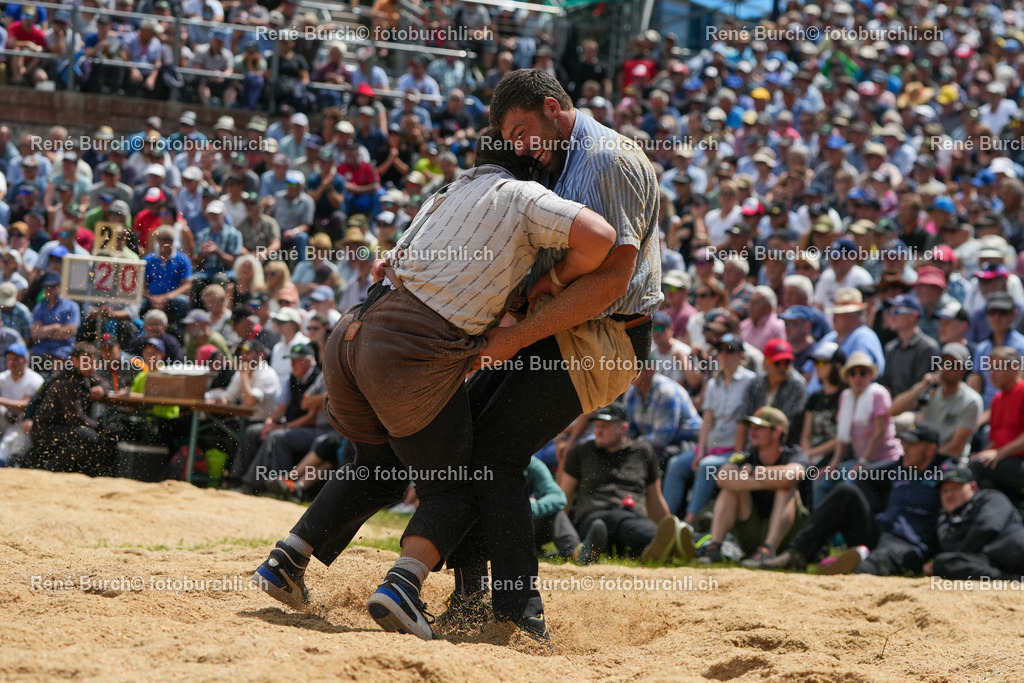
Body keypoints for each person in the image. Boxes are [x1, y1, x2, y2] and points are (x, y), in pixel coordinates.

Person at [252, 116, 633, 641]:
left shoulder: (446, 192)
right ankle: (403, 587)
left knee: (381, 465)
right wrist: (554, 279)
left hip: (349, 337)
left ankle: (286, 559)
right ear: (527, 164)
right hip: (405, 351)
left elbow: (390, 266)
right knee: (457, 483)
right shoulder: (522, 194)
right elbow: (602, 236)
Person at [762, 422, 950, 576]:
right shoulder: (900, 466)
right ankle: (799, 555)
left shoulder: (948, 474)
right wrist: (878, 506)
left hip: (908, 545)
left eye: (913, 444)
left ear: (931, 449)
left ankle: (853, 567)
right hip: (879, 533)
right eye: (904, 442)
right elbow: (863, 476)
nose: (905, 448)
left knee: (872, 566)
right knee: (846, 492)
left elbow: (961, 507)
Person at [559, 406, 690, 565]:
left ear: (623, 428)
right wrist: (561, 536)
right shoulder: (582, 450)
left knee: (639, 528)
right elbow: (564, 495)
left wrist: (668, 526)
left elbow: (655, 499)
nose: (598, 431)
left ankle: (656, 548)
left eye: (605, 426)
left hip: (631, 516)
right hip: (592, 519)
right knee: (614, 524)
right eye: (597, 426)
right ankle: (661, 546)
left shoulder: (643, 452)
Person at [663, 333, 757, 526]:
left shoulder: (751, 381)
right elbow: (707, 419)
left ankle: (689, 522)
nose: (724, 354)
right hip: (712, 445)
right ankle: (665, 521)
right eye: (720, 350)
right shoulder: (714, 383)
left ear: (741, 355)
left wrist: (739, 455)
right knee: (676, 464)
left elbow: (746, 422)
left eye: (729, 350)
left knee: (707, 466)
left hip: (737, 449)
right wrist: (701, 450)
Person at [698, 407, 809, 566]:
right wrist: (770, 480)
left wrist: (753, 472)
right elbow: (722, 478)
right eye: (752, 428)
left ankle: (768, 550)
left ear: (777, 432)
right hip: (751, 533)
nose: (752, 432)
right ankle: (714, 548)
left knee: (786, 489)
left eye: (759, 428)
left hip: (786, 537)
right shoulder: (745, 455)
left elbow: (789, 477)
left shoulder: (795, 455)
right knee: (731, 490)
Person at [814, 351, 903, 505]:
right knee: (821, 481)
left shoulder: (879, 394)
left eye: (863, 372)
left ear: (871, 375)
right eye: (853, 373)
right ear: (847, 377)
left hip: (885, 460)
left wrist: (861, 464)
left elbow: (879, 433)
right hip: (860, 460)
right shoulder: (845, 397)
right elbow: (842, 436)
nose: (858, 377)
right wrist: (833, 464)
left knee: (850, 484)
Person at [22, 343, 109, 476]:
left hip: (59, 429)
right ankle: (50, 471)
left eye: (93, 363)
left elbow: (102, 381)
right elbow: (75, 418)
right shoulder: (68, 380)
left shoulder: (80, 374)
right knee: (87, 436)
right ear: (74, 360)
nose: (91, 367)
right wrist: (100, 427)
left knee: (90, 435)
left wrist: (102, 388)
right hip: (46, 431)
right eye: (86, 362)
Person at [926, 463, 1024, 580]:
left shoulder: (991, 497)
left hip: (1015, 553)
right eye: (944, 490)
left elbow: (987, 528)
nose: (949, 494)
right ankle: (1010, 579)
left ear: (973, 487)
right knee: (942, 563)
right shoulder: (944, 521)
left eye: (955, 488)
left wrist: (960, 552)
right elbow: (950, 550)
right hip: (989, 563)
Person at [890, 342, 982, 464]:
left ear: (964, 370)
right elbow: (894, 410)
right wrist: (922, 385)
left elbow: (955, 447)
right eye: (944, 363)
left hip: (948, 463)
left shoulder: (971, 400)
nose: (947, 368)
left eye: (953, 365)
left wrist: (924, 461)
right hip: (919, 457)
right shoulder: (929, 389)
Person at [969, 346, 1024, 498]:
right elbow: (996, 439)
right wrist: (983, 454)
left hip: (1018, 460)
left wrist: (1000, 453)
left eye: (997, 368)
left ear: (1014, 368)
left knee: (976, 467)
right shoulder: (998, 399)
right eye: (990, 369)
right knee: (978, 469)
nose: (991, 374)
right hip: (1005, 460)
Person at [622, 367, 702, 469]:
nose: (628, 372)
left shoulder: (666, 391)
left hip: (687, 443)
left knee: (648, 460)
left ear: (650, 369)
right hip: (650, 443)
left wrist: (633, 445)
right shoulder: (631, 391)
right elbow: (629, 429)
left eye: (636, 368)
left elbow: (661, 438)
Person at [798, 342, 846, 508]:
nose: (816, 367)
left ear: (837, 366)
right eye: (815, 363)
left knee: (815, 478)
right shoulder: (814, 397)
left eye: (822, 362)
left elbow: (842, 436)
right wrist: (806, 453)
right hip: (812, 453)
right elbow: (805, 434)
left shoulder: (845, 396)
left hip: (834, 454)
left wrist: (811, 453)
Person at [0, 343, 44, 466]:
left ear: (25, 360)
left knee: (10, 452)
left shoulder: (35, 379)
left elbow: (26, 406)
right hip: (6, 420)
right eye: (9, 359)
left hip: (26, 424)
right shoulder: (3, 377)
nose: (11, 362)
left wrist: (1, 401)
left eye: (16, 359)